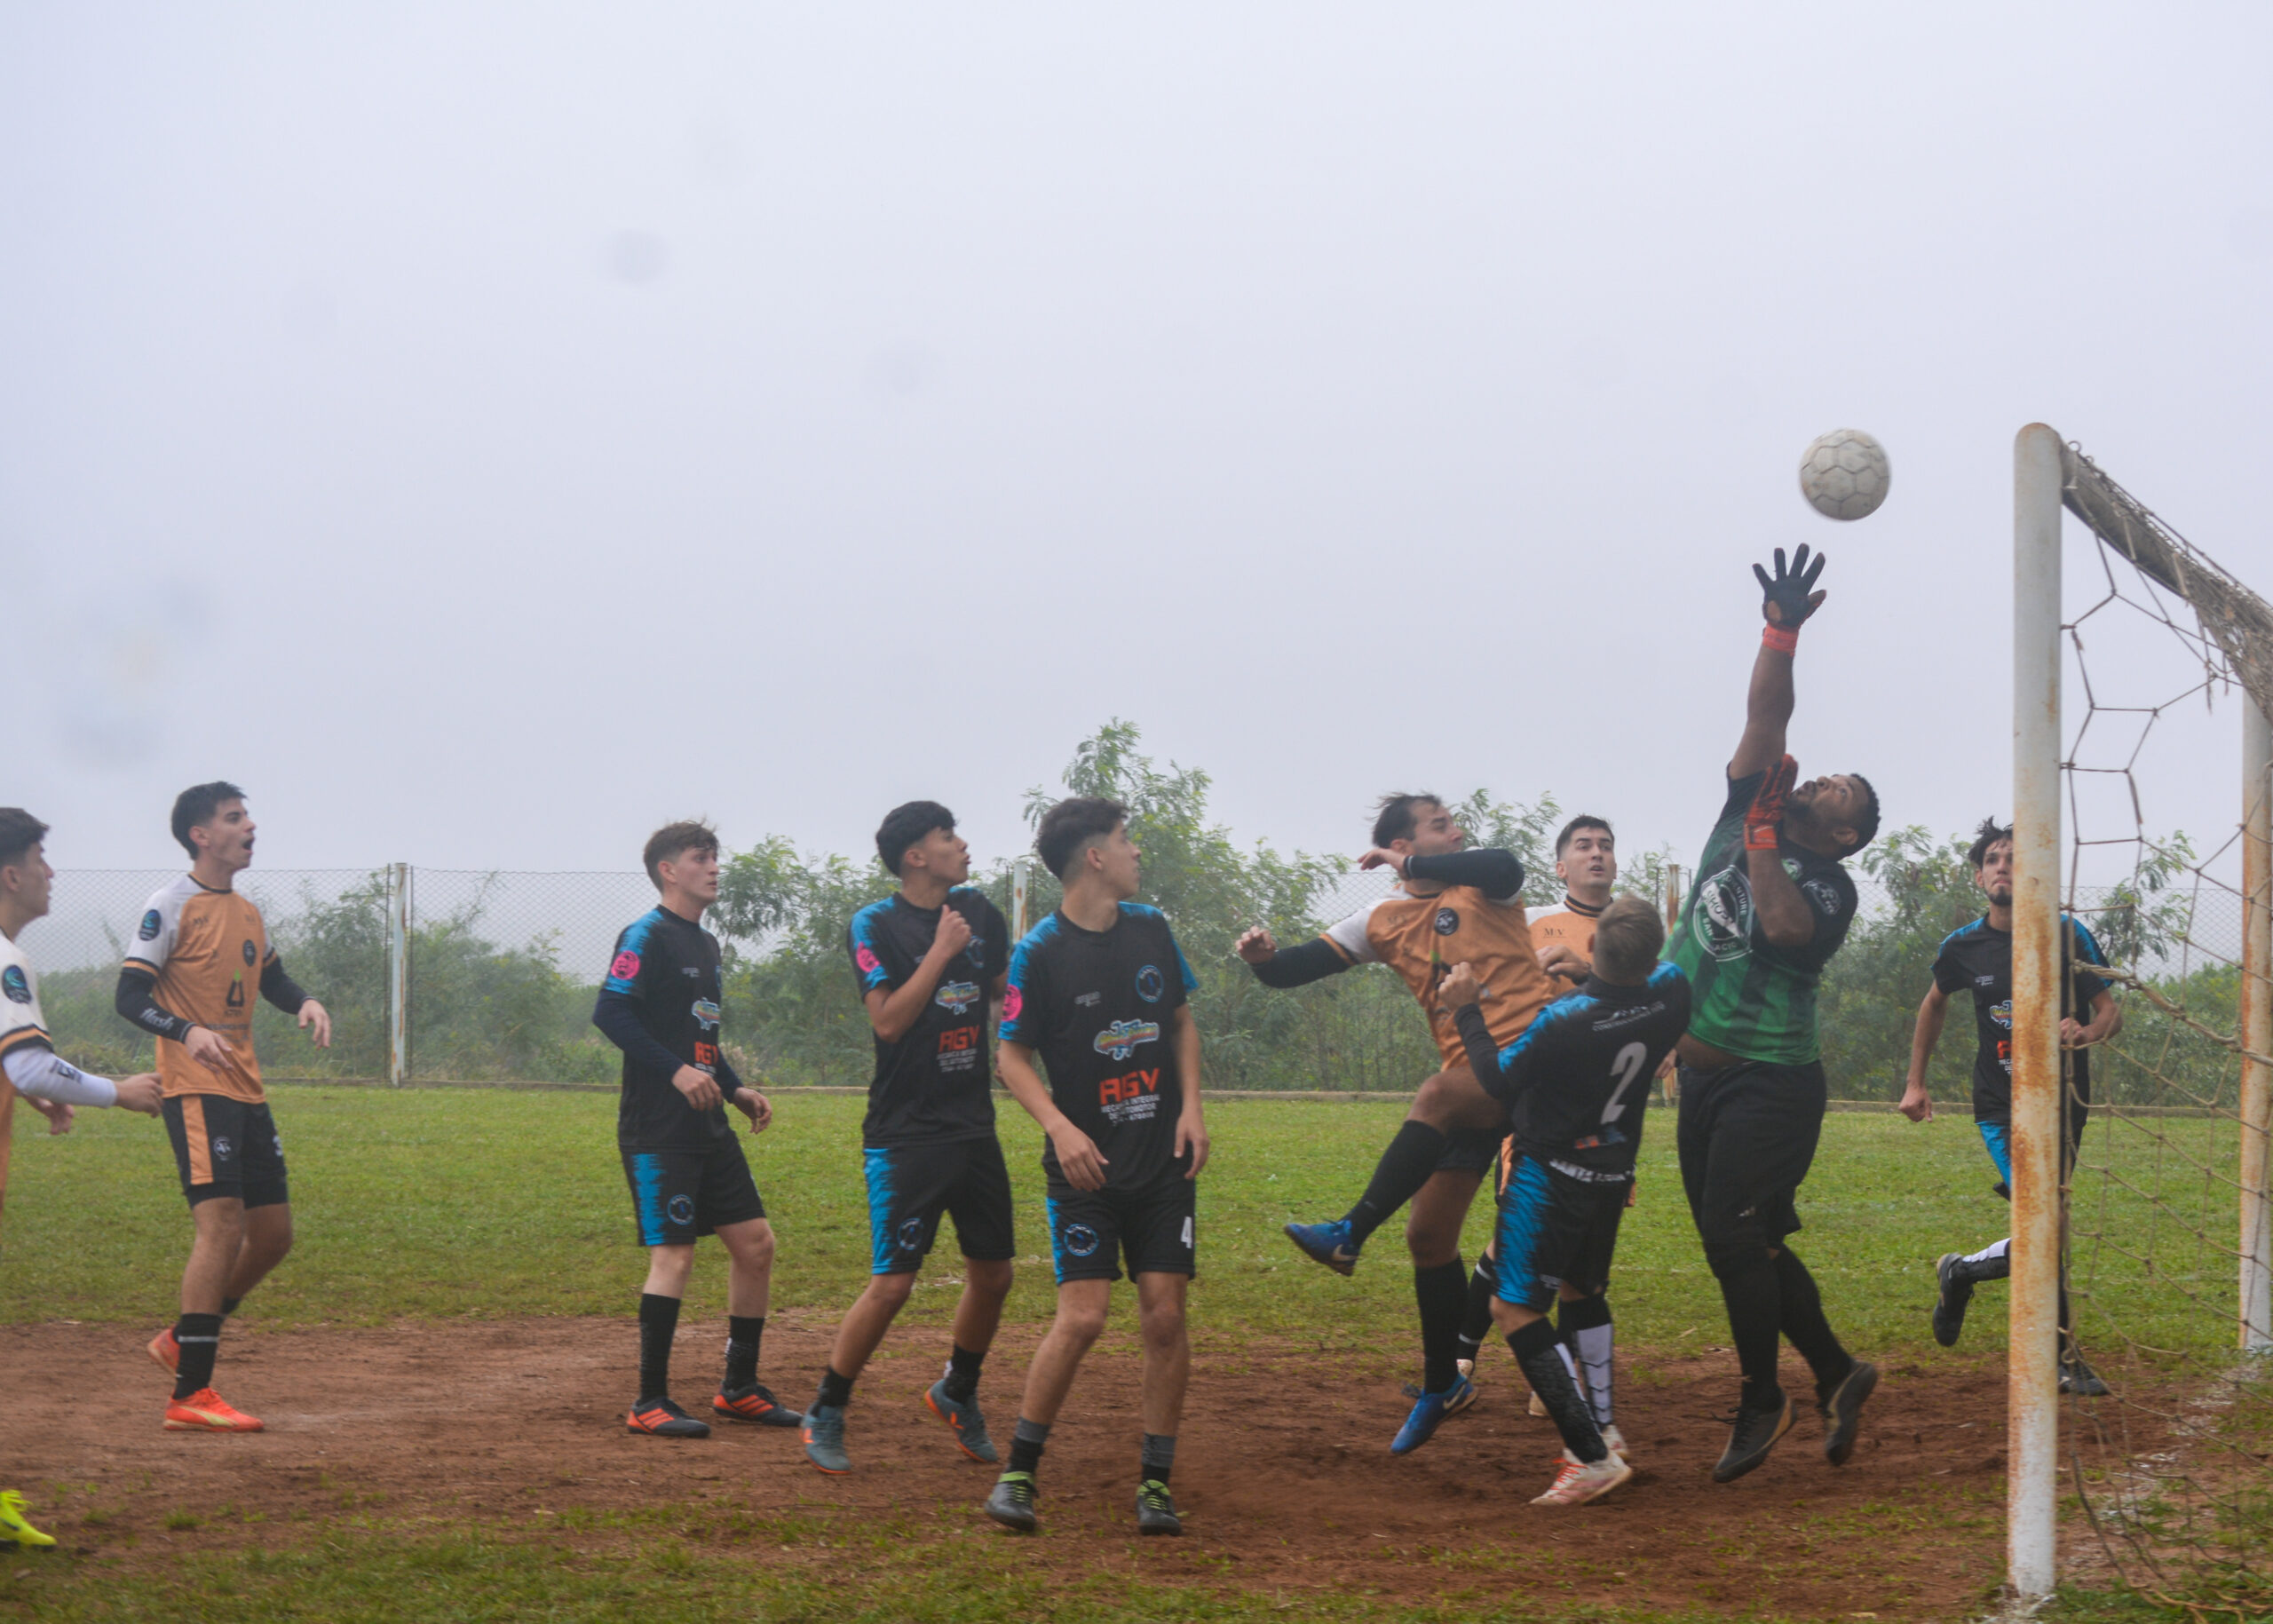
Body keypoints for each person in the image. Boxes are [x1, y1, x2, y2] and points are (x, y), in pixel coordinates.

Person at [1239, 794, 1555, 1454]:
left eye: (1453, 824)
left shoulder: (1486, 887)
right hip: (1474, 1081)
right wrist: (1264, 959)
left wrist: (1412, 860)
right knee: (1427, 1237)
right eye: (1441, 825)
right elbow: (1294, 970)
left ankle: (1349, 1233)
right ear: (1402, 843)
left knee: (1435, 1094)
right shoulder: (1381, 919)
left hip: (1533, 1063)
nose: (1458, 832)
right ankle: (1443, 1384)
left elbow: (1506, 863)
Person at [1665, 545, 1883, 1484]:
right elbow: (1768, 714)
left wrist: (1760, 837)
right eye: (1826, 776)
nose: (1822, 779)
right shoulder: (1744, 804)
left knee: (1732, 1236)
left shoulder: (1829, 885)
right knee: (1743, 1241)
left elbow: (1784, 927)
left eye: (1839, 792)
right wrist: (1780, 631)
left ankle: (1763, 1396)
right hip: (1701, 1078)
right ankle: (1837, 1371)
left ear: (1842, 833)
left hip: (1773, 1084)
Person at [982, 797, 1209, 1537]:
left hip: (1163, 1160)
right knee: (1081, 1318)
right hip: (1084, 1172)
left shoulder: (1151, 928)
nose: (1136, 850)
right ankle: (1018, 1473)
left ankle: (1155, 1483)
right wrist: (1060, 1127)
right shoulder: (1040, 951)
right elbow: (1010, 1056)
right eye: (1124, 838)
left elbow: (1180, 1022)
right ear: (1094, 857)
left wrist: (1191, 1108)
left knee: (1165, 1316)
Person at [1439, 896, 1690, 1505]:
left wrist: (1466, 1010)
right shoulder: (1673, 989)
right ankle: (1605, 1429)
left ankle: (1589, 1454)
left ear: (1595, 945)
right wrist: (1587, 972)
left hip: (1548, 1176)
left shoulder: (1565, 1020)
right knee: (1583, 1292)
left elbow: (1497, 1079)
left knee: (1513, 1308)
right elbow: (1637, 984)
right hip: (1612, 1170)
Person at [802, 802, 1017, 1474]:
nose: (964, 845)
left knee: (995, 1274)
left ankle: (957, 1389)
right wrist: (942, 952)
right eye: (948, 837)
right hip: (905, 1134)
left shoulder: (979, 911)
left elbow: (1003, 992)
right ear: (916, 857)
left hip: (972, 1123)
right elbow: (889, 1021)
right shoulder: (873, 924)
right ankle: (826, 1407)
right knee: (893, 1284)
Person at [120, 783, 330, 1434]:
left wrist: (305, 1000)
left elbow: (272, 977)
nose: (250, 826)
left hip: (246, 1089)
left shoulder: (247, 911)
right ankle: (191, 1393)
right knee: (221, 1227)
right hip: (194, 1086)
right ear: (201, 835)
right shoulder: (169, 904)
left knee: (273, 1235)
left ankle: (184, 1336)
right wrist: (186, 1032)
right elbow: (130, 996)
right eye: (234, 818)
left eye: (247, 816)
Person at [1898, 818, 2119, 1395]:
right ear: (1979, 876)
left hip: (2066, 1102)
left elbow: (2109, 1012)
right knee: (2042, 1222)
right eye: (1993, 859)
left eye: (2014, 858)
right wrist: (1915, 1082)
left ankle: (1962, 1271)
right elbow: (1933, 1003)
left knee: (2050, 1226)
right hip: (2001, 1106)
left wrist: (2084, 1031)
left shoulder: (2067, 934)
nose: (2003, 867)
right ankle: (2063, 1357)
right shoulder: (1962, 946)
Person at [592, 820, 795, 1439]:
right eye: (701, 858)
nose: (714, 867)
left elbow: (699, 1036)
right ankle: (649, 1400)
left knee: (756, 1245)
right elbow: (610, 1012)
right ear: (668, 870)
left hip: (707, 1125)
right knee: (675, 1256)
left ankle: (739, 1387)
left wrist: (733, 1088)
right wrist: (677, 1073)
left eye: (715, 857)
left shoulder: (706, 945)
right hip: (657, 1128)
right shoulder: (646, 935)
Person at [0, 809, 162, 1547]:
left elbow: (18, 1066)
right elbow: (31, 1060)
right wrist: (116, 1091)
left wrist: (25, 1088)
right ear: (11, 874)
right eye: (40, 856)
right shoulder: (6, 958)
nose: (51, 871)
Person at [1454, 815, 1635, 1408]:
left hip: (1608, 1118)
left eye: (1605, 845)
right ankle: (1462, 1357)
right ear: (1560, 867)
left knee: (1574, 1255)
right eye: (1583, 846)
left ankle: (1553, 1376)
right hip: (1541, 1107)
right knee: (1515, 1234)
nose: (1596, 853)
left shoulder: (1628, 932)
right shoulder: (1530, 923)